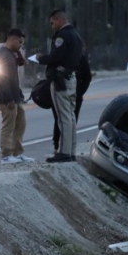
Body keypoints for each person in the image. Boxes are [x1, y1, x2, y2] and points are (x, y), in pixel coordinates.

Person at [36, 9, 84, 163]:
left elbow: (56, 56)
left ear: (59, 20)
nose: (52, 26)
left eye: (52, 23)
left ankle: (63, 152)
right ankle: (71, 151)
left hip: (60, 80)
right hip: (71, 77)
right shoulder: (76, 36)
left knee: (63, 118)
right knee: (70, 116)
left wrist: (41, 58)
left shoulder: (62, 36)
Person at [0, 28, 34, 165]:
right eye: (20, 42)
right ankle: (6, 155)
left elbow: (15, 75)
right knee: (8, 125)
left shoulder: (12, 53)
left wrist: (19, 95)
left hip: (16, 96)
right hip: (6, 98)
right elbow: (2, 78)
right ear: (12, 39)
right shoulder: (2, 54)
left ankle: (17, 153)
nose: (21, 45)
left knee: (20, 123)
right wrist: (8, 98)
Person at [52, 46, 91, 154]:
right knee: (59, 119)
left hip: (75, 95)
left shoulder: (80, 58)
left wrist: (80, 92)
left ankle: (67, 150)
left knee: (71, 120)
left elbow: (87, 76)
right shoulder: (60, 58)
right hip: (60, 91)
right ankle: (57, 146)